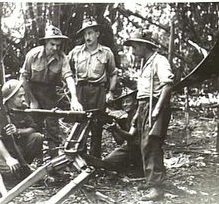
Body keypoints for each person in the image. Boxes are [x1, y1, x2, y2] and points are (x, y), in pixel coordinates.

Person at [123, 29, 175, 201]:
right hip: (145, 105)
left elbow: (167, 85)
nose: (133, 51)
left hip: (155, 105)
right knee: (144, 143)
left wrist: (157, 109)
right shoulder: (146, 62)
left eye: (135, 46)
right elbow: (143, 93)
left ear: (144, 46)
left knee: (152, 143)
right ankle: (151, 179)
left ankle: (157, 187)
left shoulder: (159, 61)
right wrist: (139, 113)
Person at [19, 25, 82, 158]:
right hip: (32, 92)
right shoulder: (33, 55)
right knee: (33, 127)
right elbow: (23, 78)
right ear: (45, 42)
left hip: (50, 94)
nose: (55, 48)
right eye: (52, 44)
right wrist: (32, 100)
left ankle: (54, 162)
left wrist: (75, 98)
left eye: (58, 45)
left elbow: (69, 77)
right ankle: (34, 159)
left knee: (53, 128)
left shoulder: (62, 58)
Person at [68, 17, 118, 158]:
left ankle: (95, 160)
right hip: (81, 90)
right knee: (80, 124)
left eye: (90, 33)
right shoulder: (76, 52)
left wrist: (110, 92)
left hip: (98, 91)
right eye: (85, 34)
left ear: (97, 34)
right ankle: (80, 157)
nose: (87, 37)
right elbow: (66, 70)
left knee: (97, 126)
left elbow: (113, 73)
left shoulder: (106, 53)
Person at [0, 79, 43, 185]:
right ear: (10, 98)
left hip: (18, 147)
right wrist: (9, 159)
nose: (23, 99)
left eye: (23, 95)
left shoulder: (23, 108)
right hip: (2, 149)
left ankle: (24, 165)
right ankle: (15, 167)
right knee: (10, 173)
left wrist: (18, 131)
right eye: (20, 96)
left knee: (37, 137)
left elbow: (33, 128)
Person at [101, 91, 144, 177]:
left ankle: (136, 169)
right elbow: (120, 141)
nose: (125, 104)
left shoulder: (138, 115)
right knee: (107, 161)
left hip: (141, 149)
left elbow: (131, 136)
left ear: (135, 102)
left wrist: (116, 129)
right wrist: (113, 129)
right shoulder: (126, 117)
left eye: (128, 101)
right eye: (123, 102)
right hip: (130, 148)